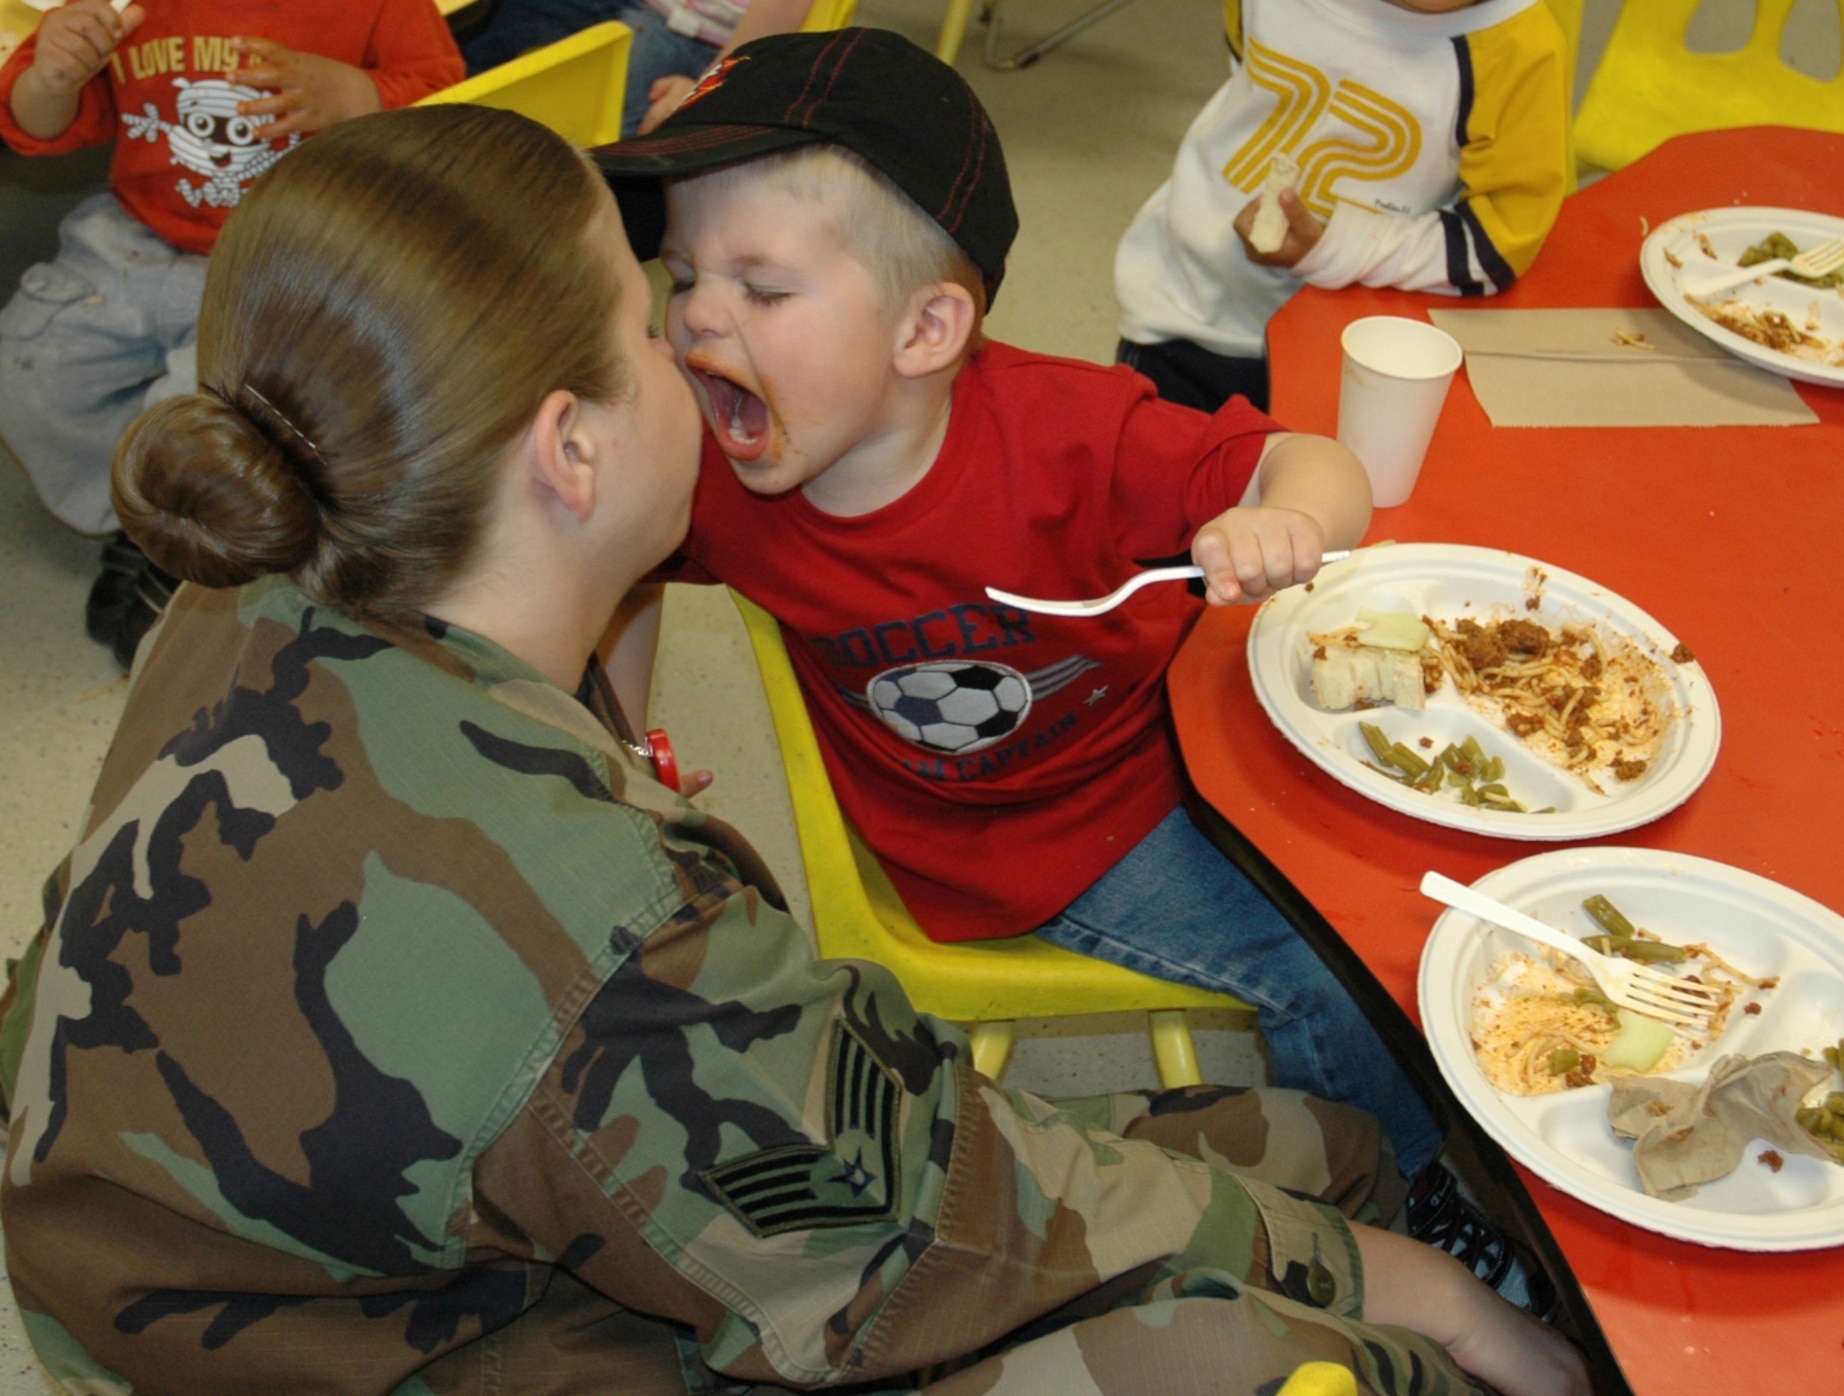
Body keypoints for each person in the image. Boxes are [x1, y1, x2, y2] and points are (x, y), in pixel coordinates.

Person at [0, 102, 1586, 1396]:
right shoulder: (622, 953)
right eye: (650, 308)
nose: (695, 330)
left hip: (222, 1265)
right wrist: (1428, 1303)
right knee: (1304, 1350)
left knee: (1330, 1146)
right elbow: (935, 1240)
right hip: (413, 1344)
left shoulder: (257, 578)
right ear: (573, 449)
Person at [594, 26, 1548, 1308]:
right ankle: (1435, 1200)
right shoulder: (713, 480)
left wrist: (1286, 521)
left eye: (761, 290)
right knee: (1331, 955)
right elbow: (618, 562)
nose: (700, 314)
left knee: (1423, 843)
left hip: (1183, 732)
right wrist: (621, 746)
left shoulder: (1066, 431)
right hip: (1024, 838)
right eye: (684, 276)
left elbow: (1311, 465)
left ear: (928, 325)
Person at [0, 0, 463, 670]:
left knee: (204, 415)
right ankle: (140, 510)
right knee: (25, 369)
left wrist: (365, 94)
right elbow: (37, 122)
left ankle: (181, 522)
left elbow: (455, 113)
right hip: (134, 237)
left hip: (286, 254)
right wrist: (50, 80)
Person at [1113, 0, 1570, 412]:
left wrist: (1333, 249)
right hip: (1180, 306)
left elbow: (1498, 242)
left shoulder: (1518, 48)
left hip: (1345, 353)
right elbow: (1246, 68)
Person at [455, 0, 813, 138]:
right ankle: (455, 121)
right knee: (500, 25)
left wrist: (707, 88)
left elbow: (779, 13)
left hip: (695, 34)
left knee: (600, 124)